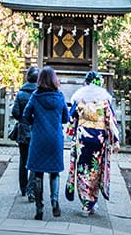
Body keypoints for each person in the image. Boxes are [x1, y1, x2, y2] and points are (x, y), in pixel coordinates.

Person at [68, 70, 117, 215]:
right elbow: (111, 122)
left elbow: (72, 120)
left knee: (83, 169)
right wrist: (115, 141)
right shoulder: (104, 101)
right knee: (95, 170)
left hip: (82, 138)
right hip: (98, 139)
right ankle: (91, 201)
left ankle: (85, 203)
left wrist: (71, 132)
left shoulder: (80, 99)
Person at [22, 66, 68, 219]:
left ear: (40, 79)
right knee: (54, 173)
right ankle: (54, 202)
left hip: (39, 139)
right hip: (55, 139)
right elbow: (65, 118)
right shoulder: (60, 97)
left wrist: (36, 122)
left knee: (38, 173)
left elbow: (25, 115)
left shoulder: (35, 97)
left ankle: (39, 208)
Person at [10, 66, 38, 201]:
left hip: (23, 129)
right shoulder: (39, 93)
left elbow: (14, 112)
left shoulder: (21, 94)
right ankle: (31, 190)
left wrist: (22, 119)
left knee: (23, 160)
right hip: (36, 130)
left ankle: (23, 188)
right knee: (34, 161)